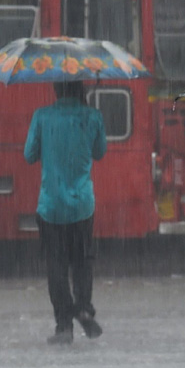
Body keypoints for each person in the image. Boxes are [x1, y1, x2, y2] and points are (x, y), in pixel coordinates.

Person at [24, 80, 107, 344]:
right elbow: (100, 152)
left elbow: (29, 155)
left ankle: (63, 325)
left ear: (56, 90)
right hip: (82, 204)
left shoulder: (42, 115)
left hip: (51, 206)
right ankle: (83, 308)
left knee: (56, 264)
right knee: (82, 261)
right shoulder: (93, 116)